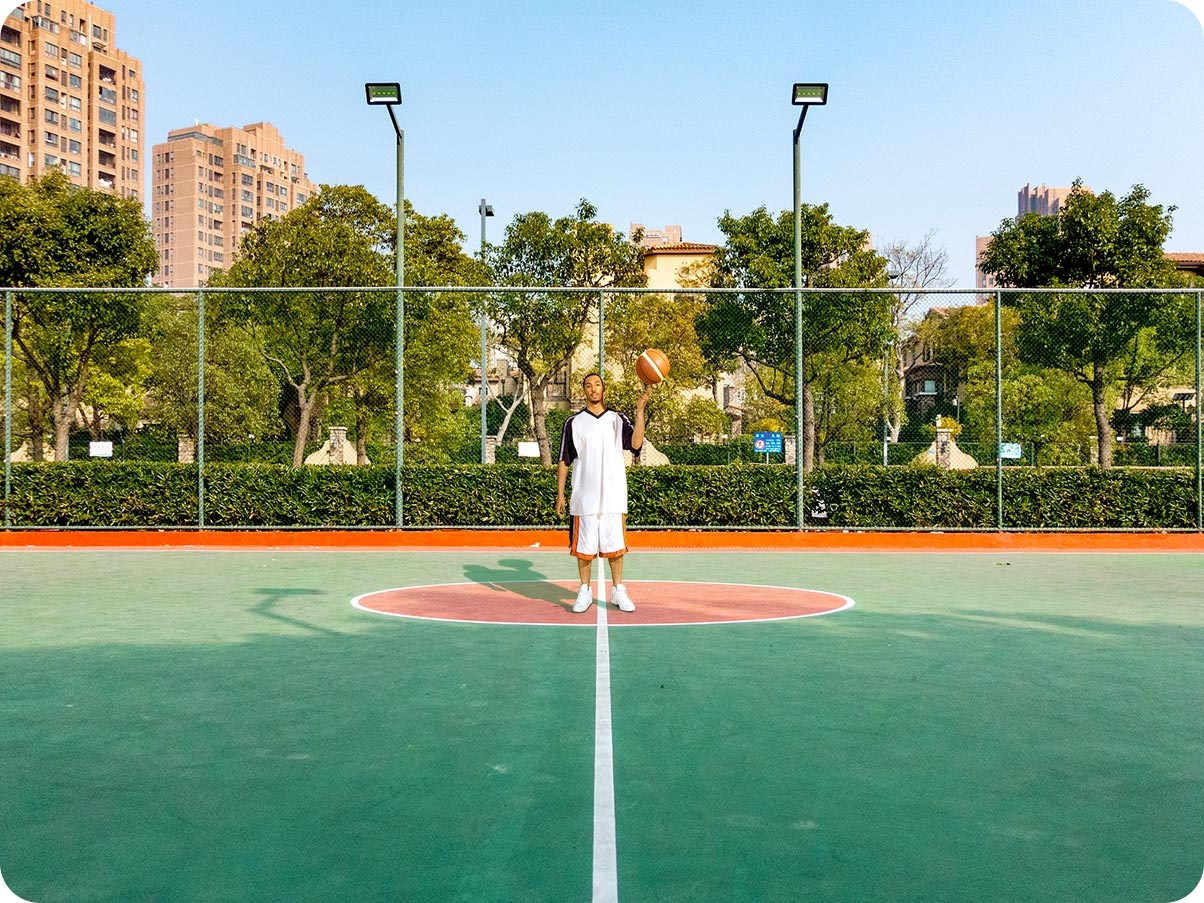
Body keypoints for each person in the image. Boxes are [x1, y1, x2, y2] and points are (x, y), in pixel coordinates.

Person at [556, 373, 651, 613]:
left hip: (613, 496)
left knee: (615, 547)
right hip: (584, 497)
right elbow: (564, 461)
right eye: (588, 385)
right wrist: (560, 495)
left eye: (597, 384)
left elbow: (637, 444)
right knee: (585, 550)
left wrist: (640, 410)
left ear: (603, 388)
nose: (593, 389)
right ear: (584, 391)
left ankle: (618, 590)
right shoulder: (573, 423)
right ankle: (584, 591)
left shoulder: (618, 419)